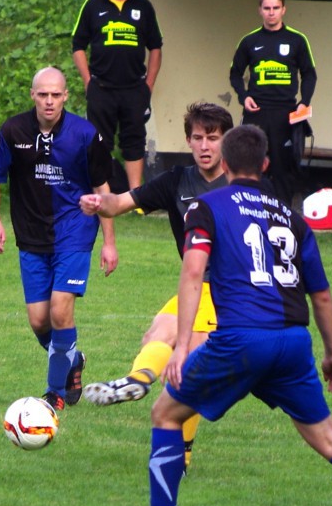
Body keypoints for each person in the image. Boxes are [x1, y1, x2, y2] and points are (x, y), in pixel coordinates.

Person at [110, 126, 332, 506]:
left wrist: (184, 345)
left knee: (166, 414)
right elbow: (320, 294)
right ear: (265, 164)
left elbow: (193, 273)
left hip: (241, 341)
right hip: (293, 343)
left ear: (224, 163)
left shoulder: (206, 207)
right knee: (329, 438)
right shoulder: (291, 218)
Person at [79, 102, 234, 468]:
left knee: (190, 361)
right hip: (197, 285)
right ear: (188, 141)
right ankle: (136, 382)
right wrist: (101, 202)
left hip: (234, 291)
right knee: (158, 334)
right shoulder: (176, 181)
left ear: (227, 141)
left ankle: (180, 447)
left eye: (213, 138)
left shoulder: (244, 182)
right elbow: (121, 203)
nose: (205, 146)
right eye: (198, 138)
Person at [0, 67, 117, 410]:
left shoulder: (84, 134)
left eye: (55, 95)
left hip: (74, 232)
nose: (49, 101)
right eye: (43, 94)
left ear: (66, 96)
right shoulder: (13, 130)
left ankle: (54, 393)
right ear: (33, 95)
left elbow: (103, 189)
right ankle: (72, 358)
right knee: (39, 321)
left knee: (60, 312)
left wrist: (109, 241)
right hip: (31, 236)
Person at [71, 0, 162, 192]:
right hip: (101, 88)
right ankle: (102, 192)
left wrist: (148, 85)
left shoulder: (143, 6)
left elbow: (155, 47)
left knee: (134, 141)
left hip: (134, 89)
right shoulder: (93, 6)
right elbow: (78, 45)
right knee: (99, 142)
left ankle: (134, 196)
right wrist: (87, 80)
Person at [229, 0, 317, 206]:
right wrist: (244, 97)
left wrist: (303, 103)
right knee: (249, 164)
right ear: (260, 10)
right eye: (267, 8)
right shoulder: (249, 40)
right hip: (255, 113)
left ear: (283, 10)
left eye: (275, 8)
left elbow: (309, 75)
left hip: (285, 114)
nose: (271, 13)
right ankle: (247, 208)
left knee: (282, 167)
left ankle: (282, 212)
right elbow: (235, 74)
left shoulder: (297, 39)